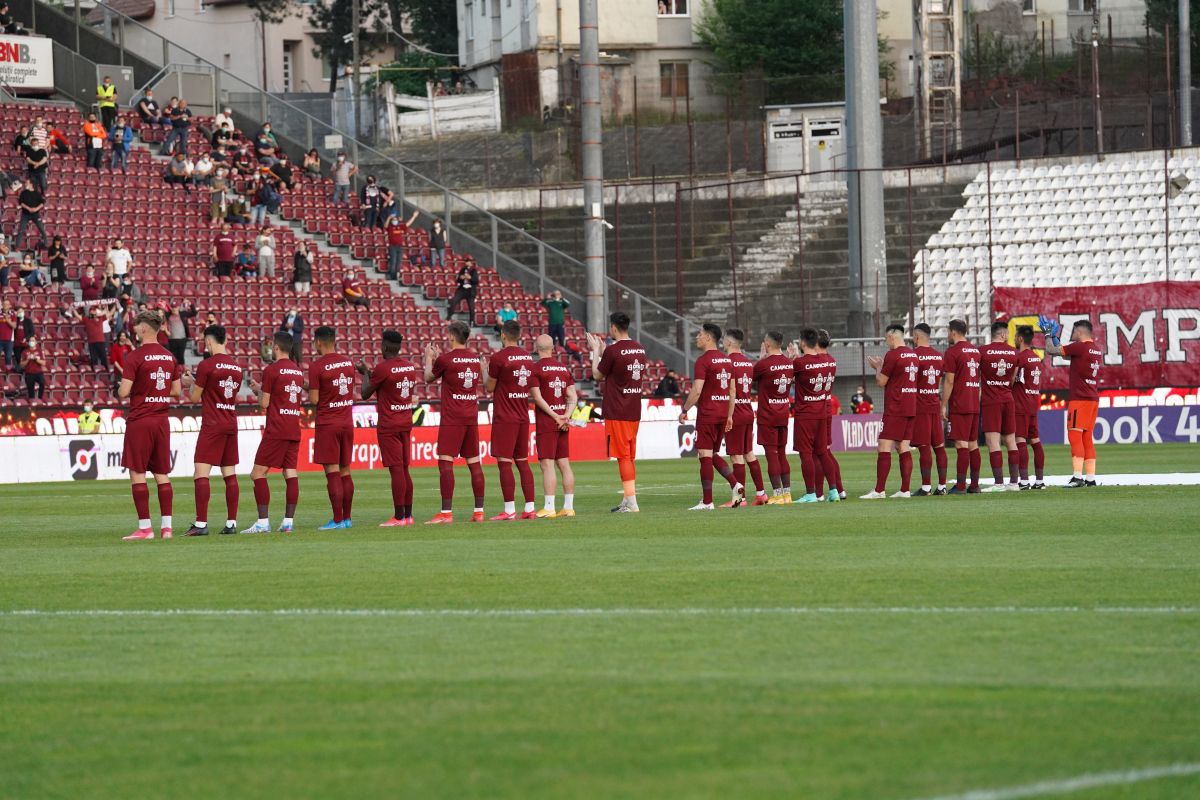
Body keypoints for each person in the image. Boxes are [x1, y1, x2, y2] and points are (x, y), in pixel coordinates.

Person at [118, 311, 182, 540]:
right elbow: (176, 391)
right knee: (162, 473)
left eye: (136, 326)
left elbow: (124, 391)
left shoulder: (134, 357)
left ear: (144, 328)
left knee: (137, 473)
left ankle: (145, 528)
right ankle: (167, 528)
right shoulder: (169, 356)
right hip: (161, 420)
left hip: (140, 420)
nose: (134, 330)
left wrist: (126, 388)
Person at [182, 325, 244, 536]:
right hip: (230, 422)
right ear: (225, 340)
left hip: (213, 424)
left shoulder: (207, 365)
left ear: (208, 342)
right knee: (229, 473)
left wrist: (191, 382)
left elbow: (194, 397)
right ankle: (231, 523)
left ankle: (201, 524)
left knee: (200, 473)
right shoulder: (237, 367)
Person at [423, 320, 486, 524]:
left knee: (445, 463)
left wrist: (428, 358)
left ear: (451, 336)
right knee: (474, 463)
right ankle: (478, 512)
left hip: (452, 417)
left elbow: (428, 377)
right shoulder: (475, 359)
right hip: (471, 415)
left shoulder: (445, 359)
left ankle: (446, 513)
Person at [244, 332, 305, 533]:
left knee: (257, 474)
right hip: (293, 428)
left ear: (276, 348)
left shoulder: (271, 370)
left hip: (276, 429)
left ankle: (263, 523)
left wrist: (258, 392)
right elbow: (283, 395)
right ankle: (288, 522)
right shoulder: (297, 371)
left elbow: (265, 403)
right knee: (290, 473)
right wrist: (260, 389)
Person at [359, 330, 421, 526]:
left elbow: (365, 394)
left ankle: (399, 517)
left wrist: (365, 374)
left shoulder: (382, 368)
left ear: (385, 347)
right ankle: (408, 515)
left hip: (389, 424)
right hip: (405, 421)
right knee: (404, 469)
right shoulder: (410, 367)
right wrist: (371, 373)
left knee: (396, 471)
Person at [587, 312, 647, 513]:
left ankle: (632, 502)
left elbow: (597, 374)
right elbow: (619, 364)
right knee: (629, 456)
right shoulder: (639, 349)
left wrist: (596, 350)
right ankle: (627, 498)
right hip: (633, 409)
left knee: (623, 457)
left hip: (617, 409)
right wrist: (605, 350)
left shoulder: (613, 351)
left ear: (613, 327)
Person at [677, 323, 734, 511]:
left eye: (700, 334)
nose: (697, 337)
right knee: (712, 454)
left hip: (708, 414)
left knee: (704, 454)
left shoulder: (703, 361)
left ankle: (707, 502)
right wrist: (730, 415)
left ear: (709, 338)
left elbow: (697, 390)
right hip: (722, 412)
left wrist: (685, 410)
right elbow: (733, 390)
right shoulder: (727, 360)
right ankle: (736, 485)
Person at [486, 320, 539, 521]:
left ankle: (509, 510)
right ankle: (530, 508)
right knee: (523, 462)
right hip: (523, 415)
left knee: (504, 463)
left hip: (505, 416)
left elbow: (489, 387)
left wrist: (484, 371)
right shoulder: (527, 357)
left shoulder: (498, 357)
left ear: (503, 335)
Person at [1042, 317, 1103, 487]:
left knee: (1075, 436)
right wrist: (1055, 338)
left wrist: (1047, 335)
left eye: (1075, 331)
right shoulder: (1095, 350)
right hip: (1092, 399)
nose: (1072, 334)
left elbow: (1051, 351)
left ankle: (1077, 477)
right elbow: (1067, 354)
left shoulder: (1079, 347)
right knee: (1087, 438)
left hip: (1080, 399)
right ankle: (1090, 478)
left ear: (1081, 332)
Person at [308, 326, 358, 529]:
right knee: (345, 470)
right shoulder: (348, 362)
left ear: (318, 342)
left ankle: (337, 520)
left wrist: (309, 387)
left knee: (332, 470)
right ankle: (346, 519)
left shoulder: (316, 366)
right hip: (346, 422)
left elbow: (314, 399)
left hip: (328, 423)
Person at [862, 324, 918, 499]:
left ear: (893, 336)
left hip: (896, 406)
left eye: (887, 339)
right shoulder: (913, 355)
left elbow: (881, 382)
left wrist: (878, 367)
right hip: (910, 406)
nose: (887, 343)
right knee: (903, 446)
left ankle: (879, 491)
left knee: (884, 446)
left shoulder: (893, 355)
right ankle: (905, 489)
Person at [789, 328, 841, 503]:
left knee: (806, 454)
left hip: (805, 414)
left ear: (802, 342)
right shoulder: (830, 361)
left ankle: (811, 493)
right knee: (823, 452)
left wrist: (792, 358)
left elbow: (787, 379)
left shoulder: (800, 364)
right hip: (822, 412)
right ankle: (833, 491)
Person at [530, 333, 576, 518]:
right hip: (562, 420)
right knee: (564, 463)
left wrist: (555, 416)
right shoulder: (563, 368)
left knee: (547, 464)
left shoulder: (536, 369)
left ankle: (549, 507)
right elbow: (572, 395)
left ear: (536, 347)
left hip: (547, 422)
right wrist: (566, 416)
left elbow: (537, 397)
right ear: (553, 348)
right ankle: (568, 507)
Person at [722, 328, 768, 506]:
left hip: (736, 413)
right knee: (749, 453)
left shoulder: (727, 363)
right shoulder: (748, 363)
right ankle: (761, 493)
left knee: (736, 456)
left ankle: (740, 498)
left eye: (724, 340)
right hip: (749, 411)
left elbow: (729, 390)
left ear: (729, 343)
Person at [940, 318, 983, 494]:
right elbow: (978, 380)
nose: (948, 335)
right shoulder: (975, 351)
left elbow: (949, 381)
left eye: (948, 331)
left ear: (953, 332)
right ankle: (974, 485)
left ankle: (960, 486)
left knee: (961, 444)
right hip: (974, 402)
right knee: (973, 444)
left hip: (960, 403)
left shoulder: (952, 352)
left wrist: (943, 405)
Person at [979, 320, 1020, 493]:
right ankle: (1014, 483)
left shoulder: (983, 351)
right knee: (1011, 440)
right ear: (1003, 334)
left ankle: (998, 483)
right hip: (1008, 398)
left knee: (993, 441)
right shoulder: (1014, 353)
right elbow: (1013, 378)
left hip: (991, 400)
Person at [753, 330, 794, 504]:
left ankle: (777, 495)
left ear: (767, 345)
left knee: (771, 454)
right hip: (783, 413)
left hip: (767, 415)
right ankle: (787, 494)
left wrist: (761, 358)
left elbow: (751, 379)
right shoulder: (789, 363)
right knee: (782, 454)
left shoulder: (763, 365)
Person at [910, 323, 948, 496]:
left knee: (924, 447)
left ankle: (926, 487)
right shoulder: (939, 357)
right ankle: (942, 486)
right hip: (934, 403)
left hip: (920, 406)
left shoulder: (913, 356)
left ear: (917, 337)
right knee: (939, 447)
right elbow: (939, 382)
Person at [1012, 325, 1046, 491]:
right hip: (1033, 403)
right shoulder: (1036, 358)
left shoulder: (1020, 358)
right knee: (1035, 441)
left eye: (1015, 336)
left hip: (1020, 404)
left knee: (1020, 441)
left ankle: (1024, 481)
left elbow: (1012, 380)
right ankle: (1039, 481)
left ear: (1019, 339)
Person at [384, 209, 420, 279]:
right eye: (393, 220)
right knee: (393, 261)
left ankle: (397, 275)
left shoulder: (400, 226)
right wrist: (389, 217)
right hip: (392, 246)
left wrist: (414, 216)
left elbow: (408, 224)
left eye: (395, 220)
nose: (394, 221)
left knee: (399, 262)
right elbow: (385, 226)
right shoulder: (390, 227)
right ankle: (392, 276)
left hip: (400, 247)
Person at [15, 178, 46, 250]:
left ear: (31, 184)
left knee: (42, 229)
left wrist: (36, 209)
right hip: (25, 214)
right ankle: (17, 247)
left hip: (35, 214)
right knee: (21, 230)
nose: (25, 184)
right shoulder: (23, 193)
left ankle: (46, 245)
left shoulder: (37, 193)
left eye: (27, 183)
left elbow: (42, 203)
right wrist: (29, 208)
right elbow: (21, 203)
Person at [446, 260, 478, 325]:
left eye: (467, 261)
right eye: (465, 262)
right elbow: (458, 280)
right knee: (454, 301)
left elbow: (476, 281)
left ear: (471, 263)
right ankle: (449, 317)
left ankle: (472, 321)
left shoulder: (474, 270)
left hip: (470, 291)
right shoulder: (463, 269)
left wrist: (470, 278)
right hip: (462, 289)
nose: (466, 263)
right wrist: (461, 278)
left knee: (471, 307)